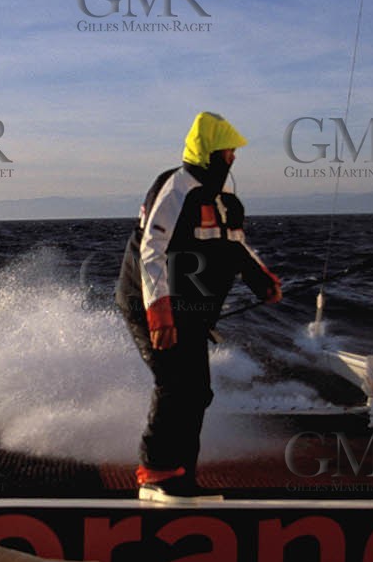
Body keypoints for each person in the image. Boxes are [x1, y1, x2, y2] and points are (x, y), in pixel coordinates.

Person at [116, 111, 281, 503]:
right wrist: (159, 313)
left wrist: (263, 281)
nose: (234, 158)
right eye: (228, 150)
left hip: (190, 312)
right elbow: (151, 251)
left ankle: (181, 477)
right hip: (151, 305)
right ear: (210, 152)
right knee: (175, 385)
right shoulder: (176, 186)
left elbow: (235, 246)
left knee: (197, 392)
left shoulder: (226, 201)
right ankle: (154, 475)